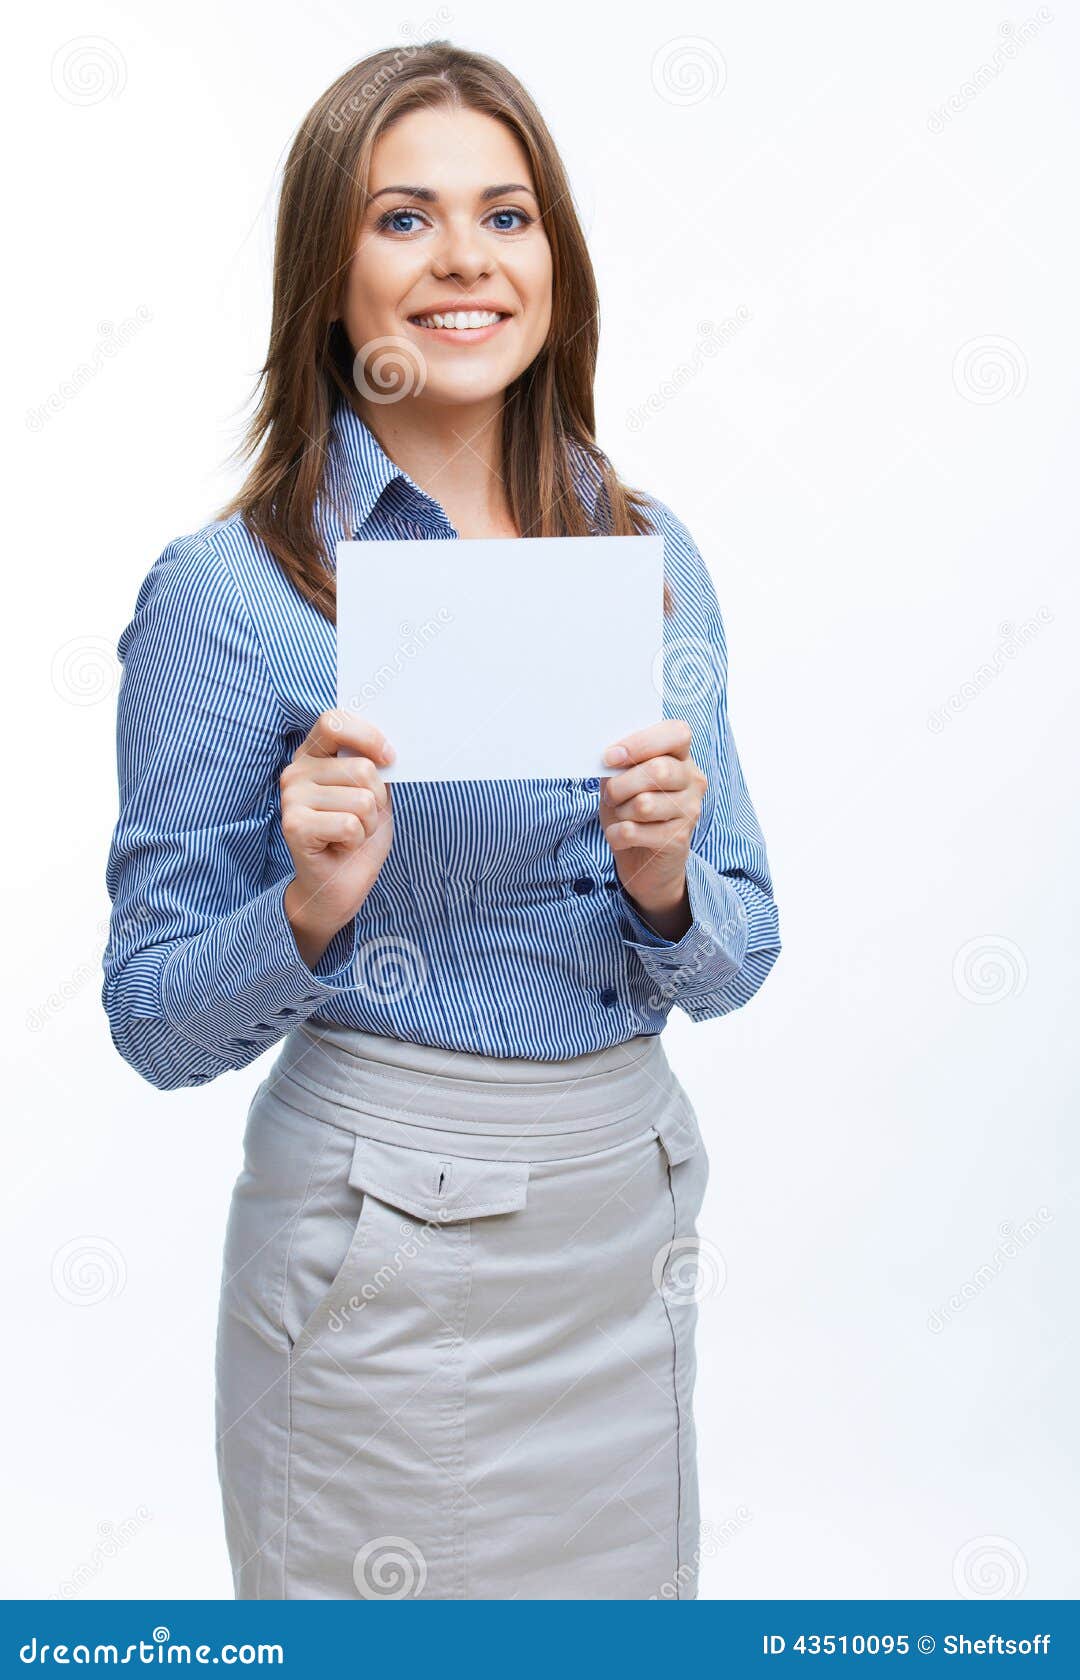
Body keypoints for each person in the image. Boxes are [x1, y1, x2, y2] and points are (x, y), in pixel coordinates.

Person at [101, 40, 782, 1601]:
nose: (466, 261)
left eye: (510, 215)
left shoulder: (650, 550)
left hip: (627, 1225)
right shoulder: (228, 597)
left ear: (559, 260)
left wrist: (667, 887)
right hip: (386, 1262)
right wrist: (307, 911)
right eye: (404, 219)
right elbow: (151, 1017)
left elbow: (740, 950)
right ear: (324, 274)